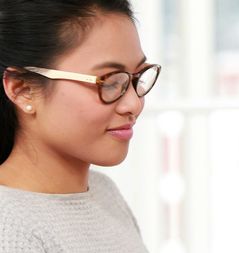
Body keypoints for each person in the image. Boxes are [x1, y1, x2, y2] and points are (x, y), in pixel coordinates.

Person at [0, 0, 160, 252]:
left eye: (137, 77)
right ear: (23, 90)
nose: (134, 104)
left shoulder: (103, 191)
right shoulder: (9, 230)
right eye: (109, 81)